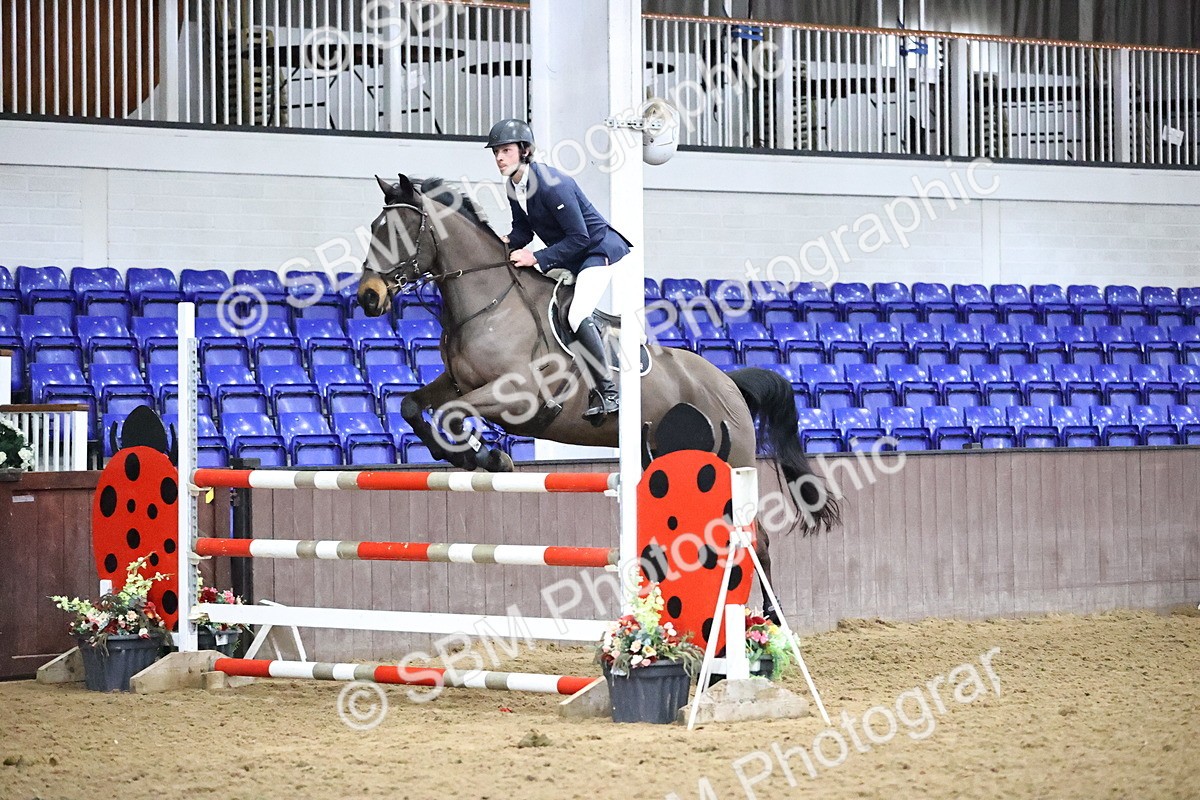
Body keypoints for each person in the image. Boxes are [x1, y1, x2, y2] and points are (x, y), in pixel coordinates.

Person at [485, 118, 632, 422]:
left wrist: (537, 259)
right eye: (496, 152)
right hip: (569, 255)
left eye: (506, 151)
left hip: (597, 251)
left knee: (577, 314)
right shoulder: (513, 185)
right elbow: (522, 231)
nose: (499, 157)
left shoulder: (554, 185)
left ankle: (608, 391)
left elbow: (580, 237)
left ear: (524, 151)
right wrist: (501, 241)